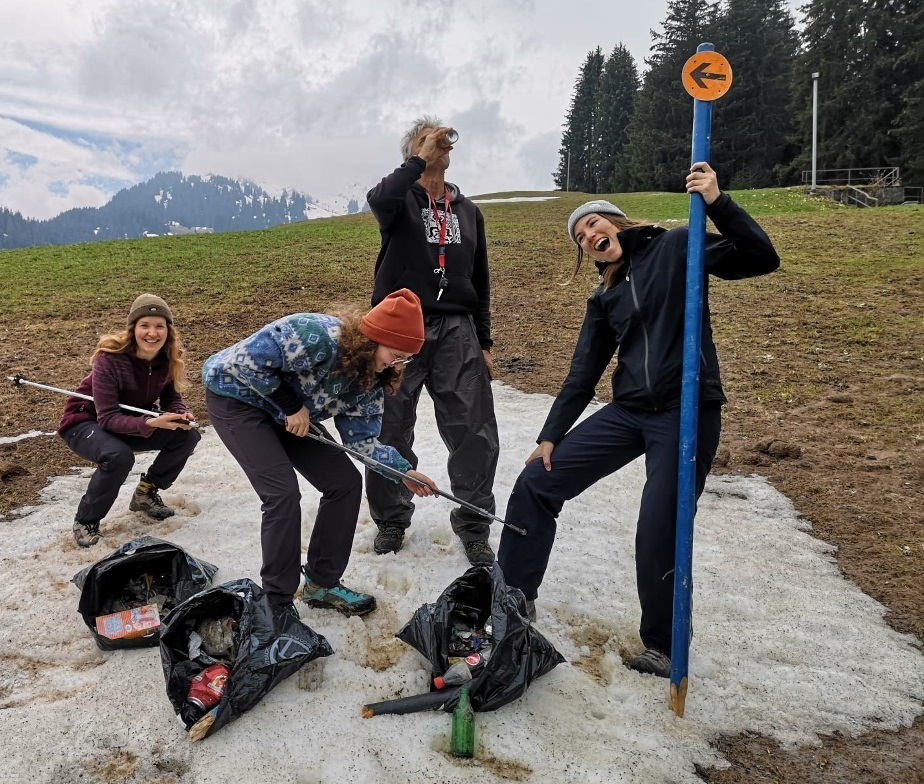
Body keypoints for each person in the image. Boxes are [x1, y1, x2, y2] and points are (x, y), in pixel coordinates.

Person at [496, 163, 780, 677]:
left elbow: (761, 258)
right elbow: (582, 373)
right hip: (627, 413)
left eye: (593, 225)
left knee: (659, 528)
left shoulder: (678, 246)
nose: (588, 236)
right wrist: (550, 436)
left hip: (685, 410)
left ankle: (664, 644)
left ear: (617, 222)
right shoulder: (606, 297)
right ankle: (513, 597)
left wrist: (718, 201)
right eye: (580, 237)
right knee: (536, 482)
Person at [203, 289, 439, 617]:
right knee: (282, 494)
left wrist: (403, 472)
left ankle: (321, 583)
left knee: (344, 482)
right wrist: (291, 405)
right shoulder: (315, 336)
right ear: (373, 337)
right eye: (395, 353)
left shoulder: (371, 380)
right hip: (237, 400)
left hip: (291, 416)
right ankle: (277, 603)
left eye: (404, 359)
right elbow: (237, 363)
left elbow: (363, 442)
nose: (396, 364)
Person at [365, 116, 500, 566]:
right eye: (428, 141)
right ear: (412, 151)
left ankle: (475, 525)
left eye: (442, 142)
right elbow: (378, 197)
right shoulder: (398, 199)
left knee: (474, 429)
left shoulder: (468, 210)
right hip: (401, 326)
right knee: (391, 425)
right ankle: (391, 519)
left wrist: (484, 343)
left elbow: (479, 279)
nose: (441, 146)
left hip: (457, 328)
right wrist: (416, 161)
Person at [58, 293, 201, 548]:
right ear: (133, 328)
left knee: (187, 435)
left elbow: (172, 399)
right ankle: (86, 520)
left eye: (159, 326)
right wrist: (149, 423)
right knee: (118, 456)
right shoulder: (109, 359)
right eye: (144, 325)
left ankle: (145, 493)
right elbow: (108, 417)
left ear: (168, 330)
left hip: (132, 421)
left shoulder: (167, 359)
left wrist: (180, 415)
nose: (152, 333)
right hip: (85, 423)